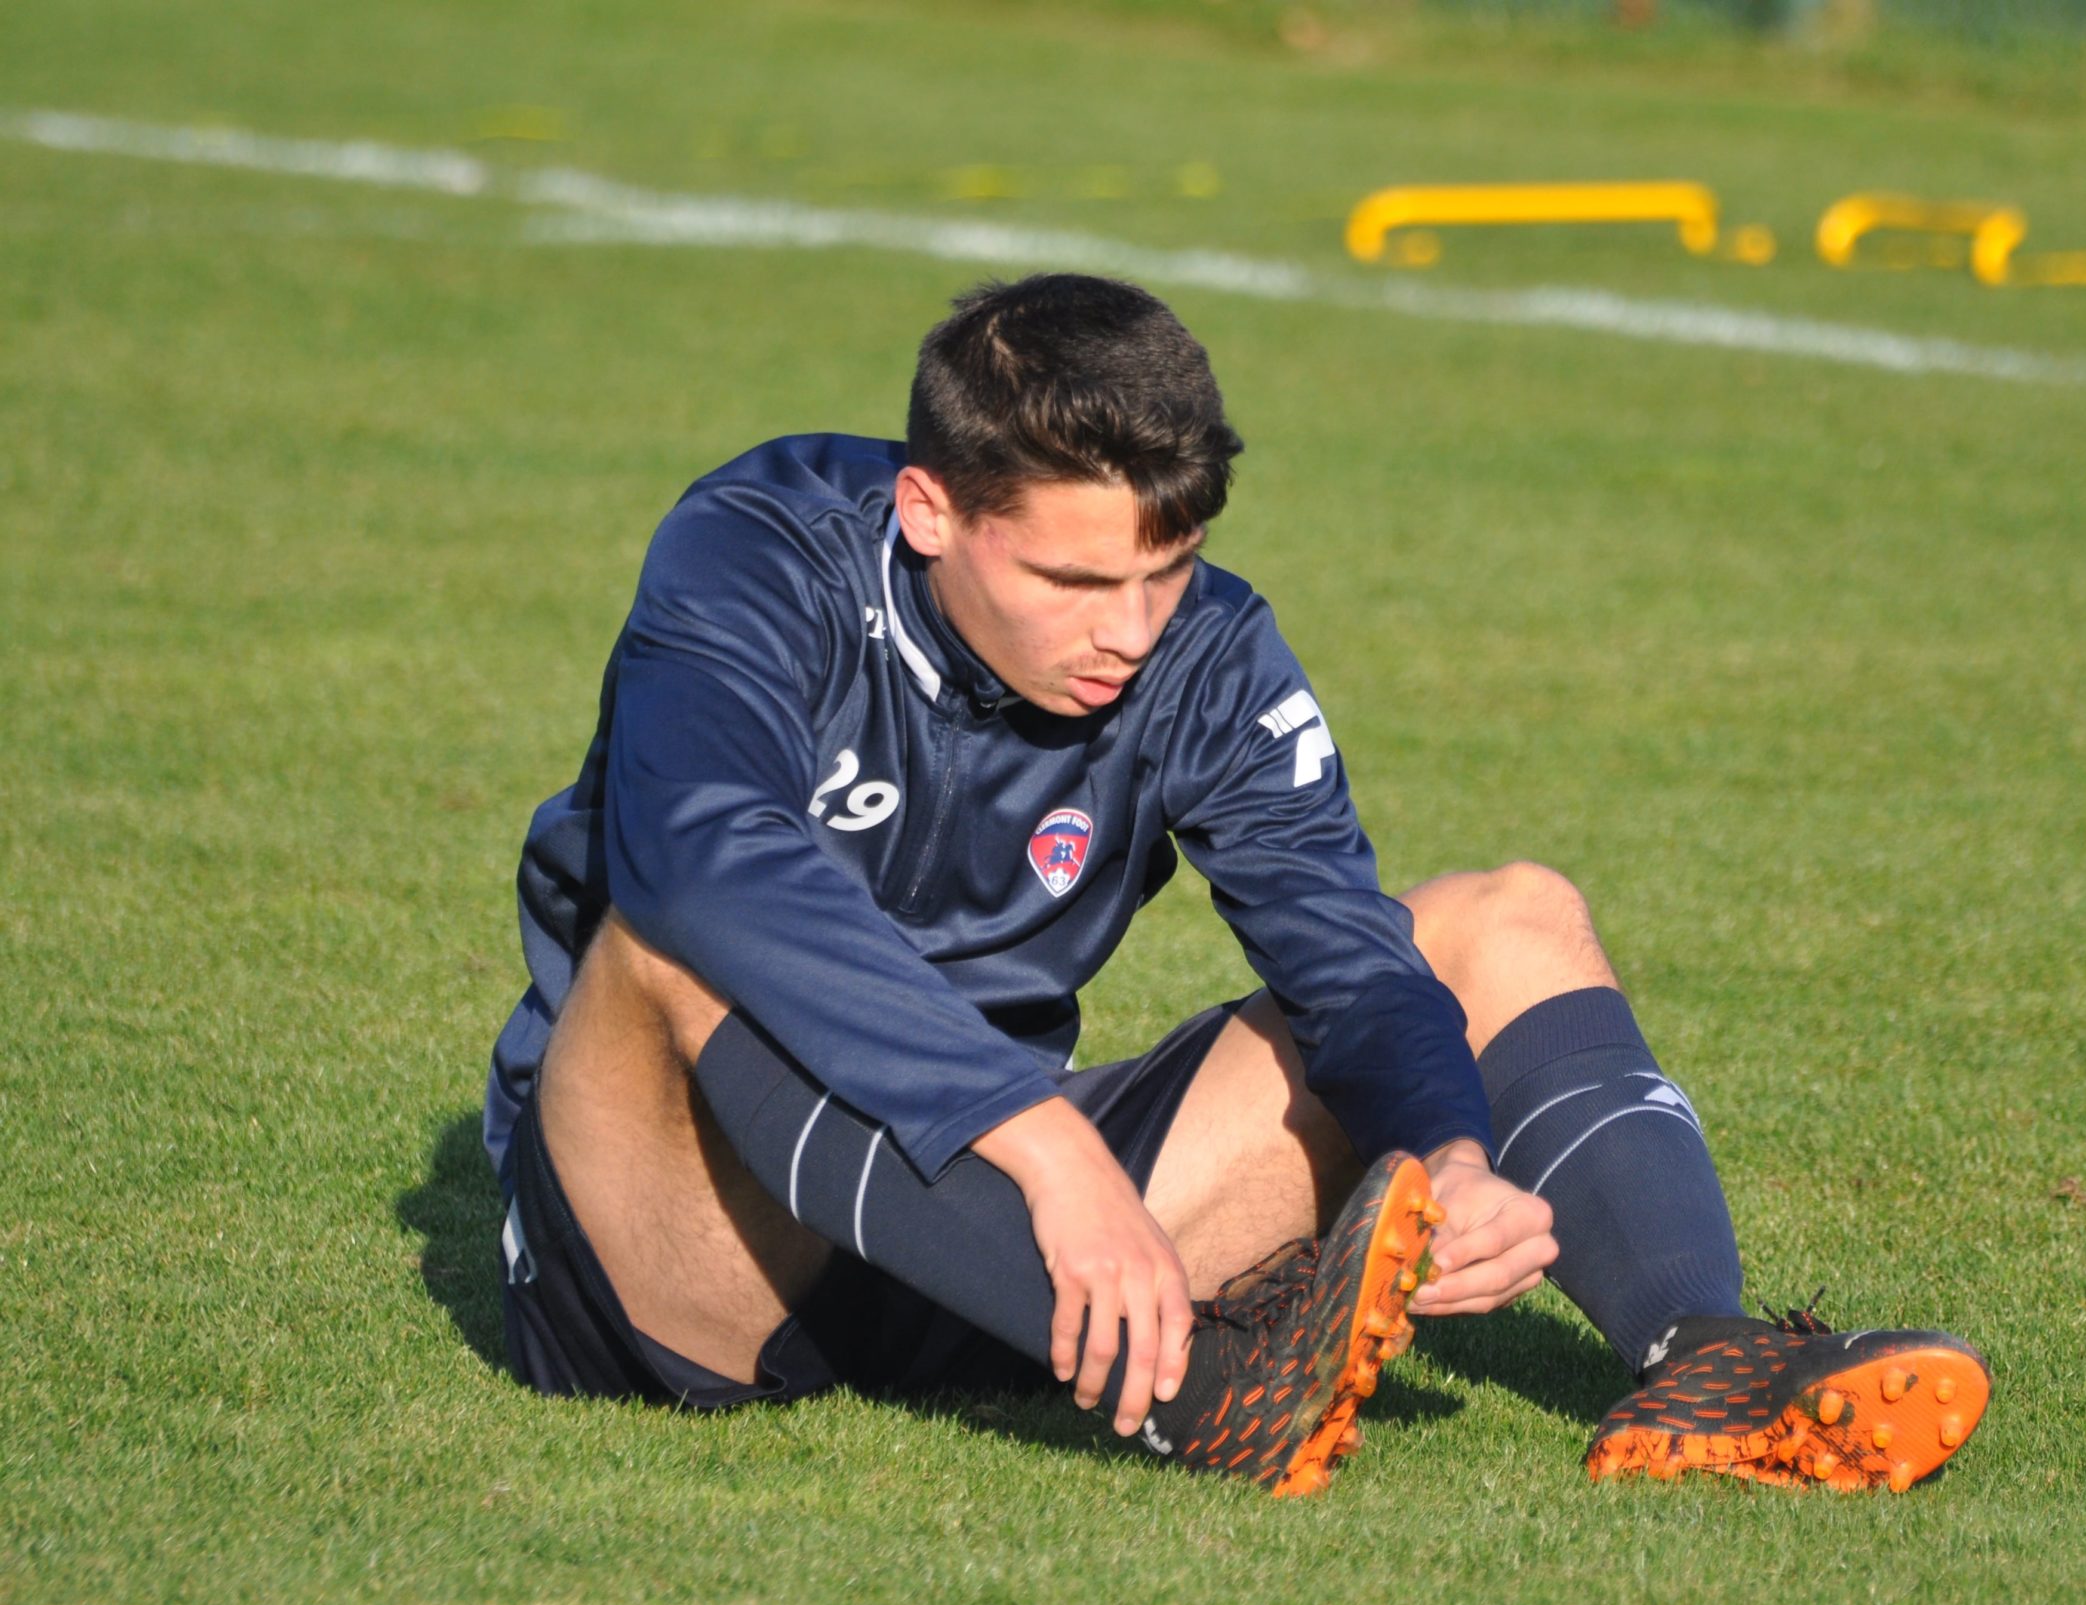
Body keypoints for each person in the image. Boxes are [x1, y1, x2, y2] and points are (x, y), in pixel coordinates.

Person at [482, 273, 1990, 1496]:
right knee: (676, 944)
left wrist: (1450, 1151)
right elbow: (702, 856)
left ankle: (1707, 1362)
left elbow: (1343, 949)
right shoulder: (761, 549)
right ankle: (1214, 1394)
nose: (1130, 629)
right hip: (697, 1263)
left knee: (1503, 917)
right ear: (929, 510)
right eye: (1073, 584)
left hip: (1010, 1261)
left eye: (1167, 570)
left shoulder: (1204, 650)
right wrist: (1048, 1150)